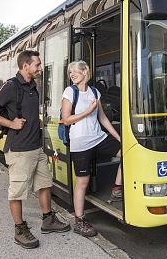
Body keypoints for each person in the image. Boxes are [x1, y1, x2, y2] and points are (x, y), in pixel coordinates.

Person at [0, 50, 69, 249]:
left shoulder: (32, 86)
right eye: (36, 64)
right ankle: (20, 229)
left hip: (36, 147)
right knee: (17, 192)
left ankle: (48, 220)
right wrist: (10, 124)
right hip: (19, 150)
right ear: (25, 65)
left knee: (45, 184)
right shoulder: (11, 86)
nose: (39, 68)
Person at [61, 60, 122, 238]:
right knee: (83, 182)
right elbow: (66, 119)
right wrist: (88, 111)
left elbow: (102, 118)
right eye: (69, 72)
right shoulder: (69, 92)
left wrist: (119, 138)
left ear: (85, 71)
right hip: (80, 143)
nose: (71, 74)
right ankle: (79, 220)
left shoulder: (95, 92)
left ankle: (116, 190)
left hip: (99, 138)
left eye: (74, 71)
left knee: (127, 154)